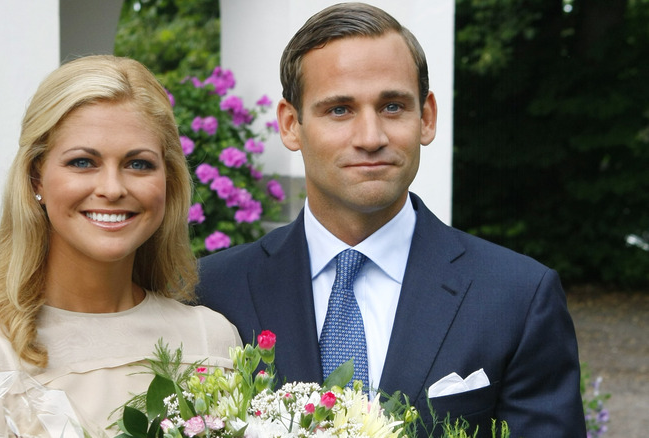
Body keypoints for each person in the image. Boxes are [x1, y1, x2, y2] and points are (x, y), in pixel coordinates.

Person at [196, 3, 585, 436]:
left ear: (427, 116)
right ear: (291, 125)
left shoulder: (517, 297)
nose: (370, 138)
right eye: (339, 110)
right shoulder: (213, 291)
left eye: (393, 106)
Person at [0, 55, 241, 435]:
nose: (112, 188)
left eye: (138, 164)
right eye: (83, 162)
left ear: (168, 182)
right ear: (36, 178)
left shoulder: (212, 338)